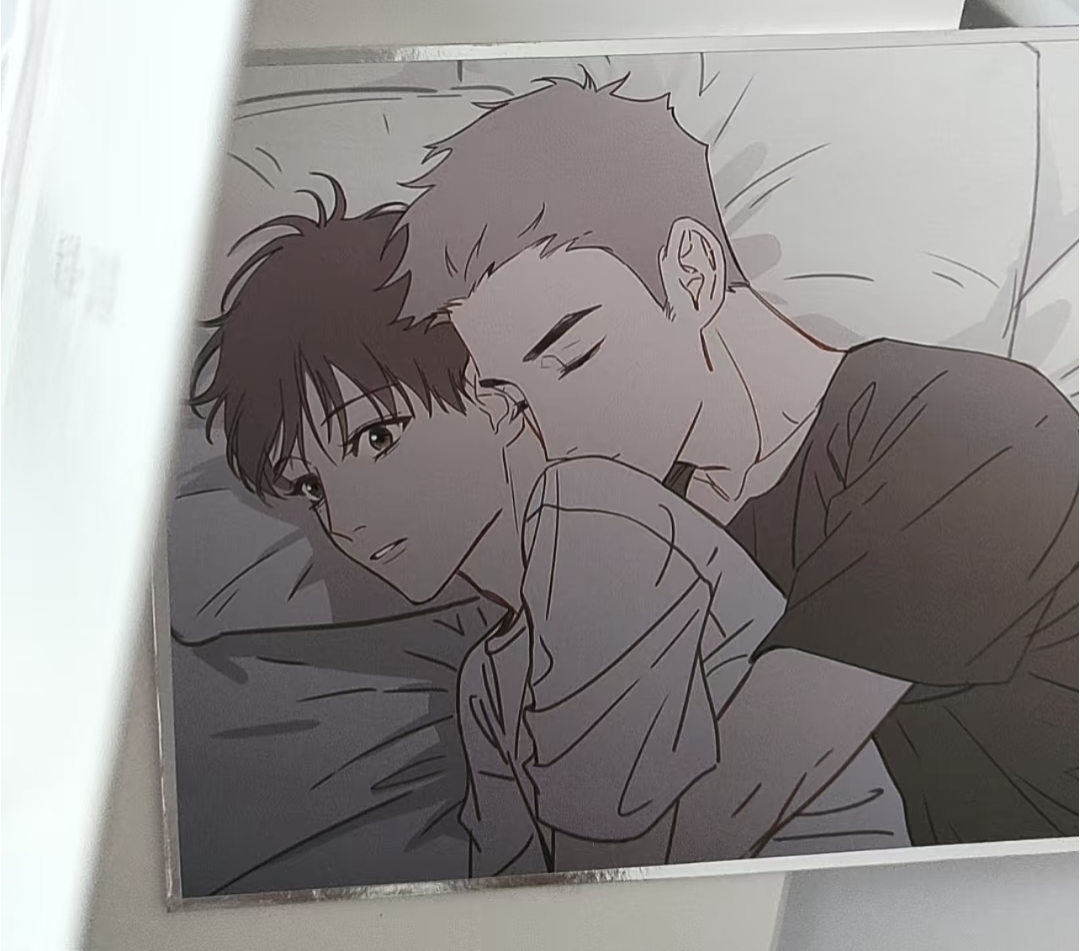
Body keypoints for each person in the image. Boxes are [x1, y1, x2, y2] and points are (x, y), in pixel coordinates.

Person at [391, 74, 1079, 853]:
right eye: (514, 399)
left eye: (573, 354)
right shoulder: (653, 529)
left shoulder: (967, 428)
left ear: (691, 273)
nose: (551, 436)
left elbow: (724, 811)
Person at [190, 177, 910, 878]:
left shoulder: (594, 524)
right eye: (311, 487)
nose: (346, 518)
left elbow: (608, 881)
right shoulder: (490, 684)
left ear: (489, 396)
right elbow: (520, 896)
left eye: (378, 437)